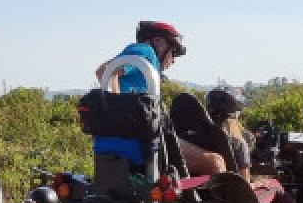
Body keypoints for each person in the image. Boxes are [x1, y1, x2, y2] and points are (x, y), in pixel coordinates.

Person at [93, 20, 221, 173]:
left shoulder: (145, 71)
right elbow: (103, 71)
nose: (173, 60)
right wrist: (117, 109)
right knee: (216, 162)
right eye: (173, 52)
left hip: (135, 140)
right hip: (145, 141)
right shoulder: (145, 51)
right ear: (158, 42)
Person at [206, 86, 253, 181]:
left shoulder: (199, 136)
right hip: (227, 191)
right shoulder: (238, 143)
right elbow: (245, 185)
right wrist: (260, 183)